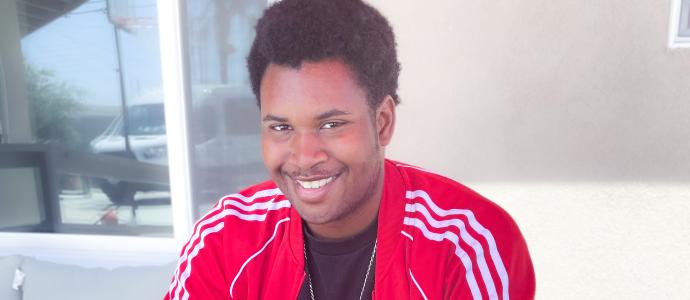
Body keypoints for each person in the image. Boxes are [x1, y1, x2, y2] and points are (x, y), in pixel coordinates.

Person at [164, 0, 535, 299]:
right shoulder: (225, 239)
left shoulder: (464, 245)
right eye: (281, 127)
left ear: (383, 121)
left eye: (331, 124)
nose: (304, 156)